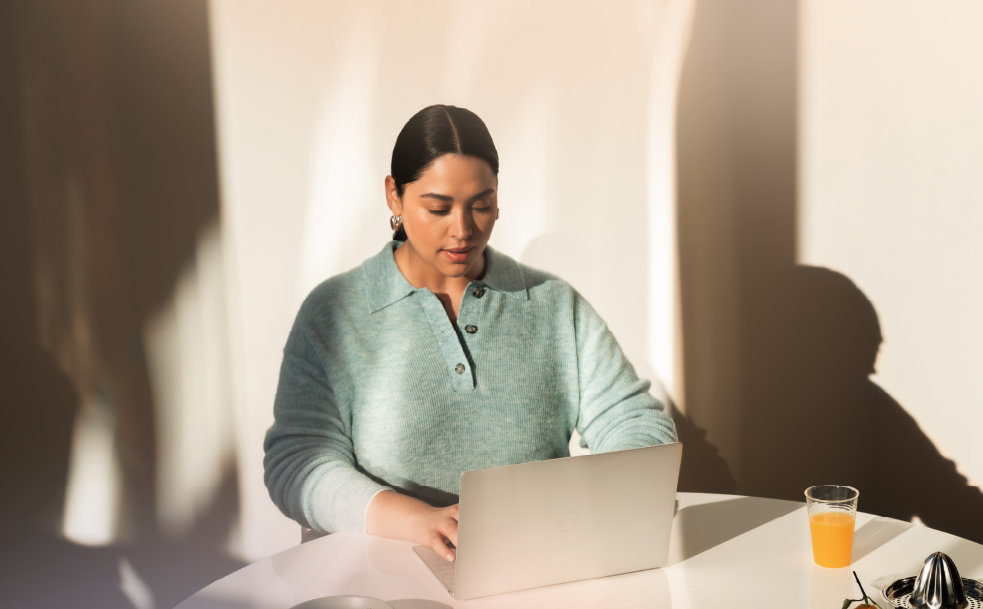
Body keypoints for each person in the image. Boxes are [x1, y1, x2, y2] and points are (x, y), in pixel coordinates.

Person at [264, 104, 677, 563]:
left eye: (481, 205)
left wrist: (591, 503)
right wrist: (419, 522)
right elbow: (297, 462)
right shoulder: (336, 312)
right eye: (438, 208)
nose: (462, 231)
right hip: (377, 580)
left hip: (528, 573)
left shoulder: (552, 304)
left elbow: (637, 424)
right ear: (394, 197)